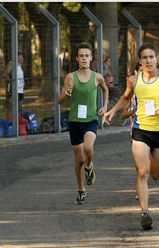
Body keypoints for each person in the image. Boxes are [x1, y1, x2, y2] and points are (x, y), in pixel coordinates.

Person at [103, 42, 159, 230]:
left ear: (157, 59)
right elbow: (126, 97)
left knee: (156, 175)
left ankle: (149, 164)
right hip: (140, 130)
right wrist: (112, 111)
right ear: (140, 62)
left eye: (151, 57)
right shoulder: (134, 80)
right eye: (144, 58)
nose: (148, 60)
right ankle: (145, 212)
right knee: (143, 172)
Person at [57, 42, 109, 205]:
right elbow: (59, 101)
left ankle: (89, 166)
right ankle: (81, 190)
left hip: (91, 120)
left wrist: (105, 107)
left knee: (88, 149)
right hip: (75, 122)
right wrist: (66, 92)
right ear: (77, 58)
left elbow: (105, 89)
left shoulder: (97, 76)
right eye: (81, 56)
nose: (84, 58)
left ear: (91, 57)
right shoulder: (70, 77)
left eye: (87, 55)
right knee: (78, 159)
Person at [3, 52, 25, 119]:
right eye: (21, 57)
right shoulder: (11, 64)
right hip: (14, 89)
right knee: (11, 107)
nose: (22, 58)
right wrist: (10, 81)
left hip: (20, 90)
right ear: (17, 57)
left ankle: (18, 122)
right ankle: (9, 122)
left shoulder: (20, 65)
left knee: (20, 107)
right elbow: (4, 74)